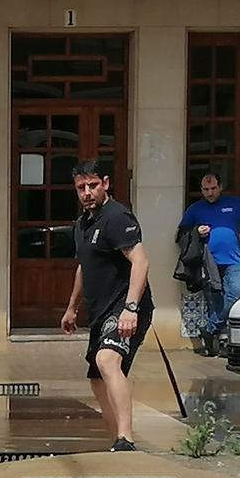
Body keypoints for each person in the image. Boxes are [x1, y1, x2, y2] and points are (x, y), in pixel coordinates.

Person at [59, 161, 152, 452]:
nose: (87, 193)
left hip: (125, 308)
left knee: (107, 360)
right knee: (97, 380)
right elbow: (84, 267)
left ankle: (126, 438)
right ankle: (117, 443)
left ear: (106, 184)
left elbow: (140, 261)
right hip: (100, 311)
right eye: (81, 188)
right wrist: (72, 308)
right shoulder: (82, 224)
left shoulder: (117, 217)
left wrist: (131, 308)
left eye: (93, 185)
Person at [177, 171, 240, 357]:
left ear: (220, 187)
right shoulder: (195, 209)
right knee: (215, 303)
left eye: (213, 188)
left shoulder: (234, 203)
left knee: (237, 291)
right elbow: (181, 234)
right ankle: (216, 345)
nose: (210, 192)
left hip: (233, 261)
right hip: (208, 263)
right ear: (201, 190)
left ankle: (209, 329)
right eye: (206, 189)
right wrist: (196, 231)